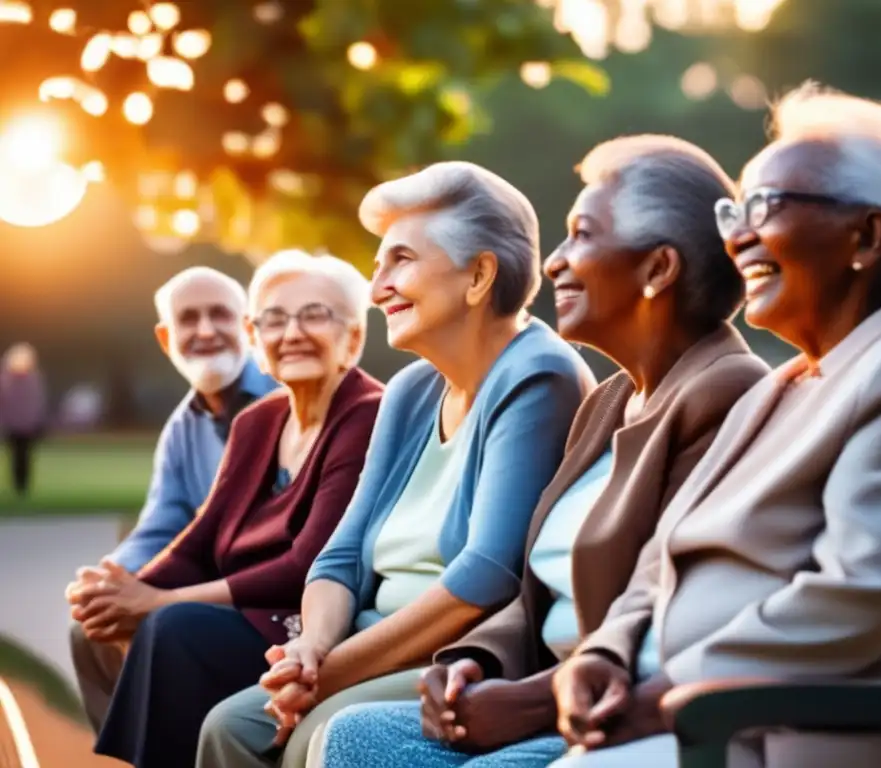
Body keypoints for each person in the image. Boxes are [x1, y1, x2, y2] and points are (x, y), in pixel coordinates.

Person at [546, 83, 881, 768]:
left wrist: (670, 689)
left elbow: (857, 599)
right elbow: (664, 553)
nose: (736, 237)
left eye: (766, 207)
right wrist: (604, 652)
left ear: (865, 236)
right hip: (697, 718)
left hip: (790, 732)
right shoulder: (780, 385)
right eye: (734, 210)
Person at [314, 135, 771, 768]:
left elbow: (670, 609)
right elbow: (534, 596)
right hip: (540, 690)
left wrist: (530, 699)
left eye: (581, 235)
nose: (553, 263)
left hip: (614, 714)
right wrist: (470, 663)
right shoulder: (609, 400)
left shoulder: (725, 393)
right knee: (353, 739)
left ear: (658, 270)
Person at [196, 161, 595, 768]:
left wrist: (327, 676)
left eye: (400, 261)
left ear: (479, 275)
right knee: (227, 728)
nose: (376, 284)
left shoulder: (537, 375)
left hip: (456, 657)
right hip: (360, 641)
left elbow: (487, 574)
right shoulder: (410, 391)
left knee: (312, 734)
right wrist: (312, 651)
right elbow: (342, 554)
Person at [69, 251, 384, 768]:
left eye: (314, 315)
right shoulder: (258, 421)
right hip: (249, 614)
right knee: (117, 623)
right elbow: (199, 537)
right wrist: (123, 590)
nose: (292, 333)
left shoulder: (367, 413)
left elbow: (308, 562)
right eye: (275, 320)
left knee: (174, 627)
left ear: (353, 336)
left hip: (311, 624)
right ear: (256, 340)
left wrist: (155, 602)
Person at [66, 266, 277, 734]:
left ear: (248, 325)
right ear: (166, 338)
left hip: (270, 596)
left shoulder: (288, 398)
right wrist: (112, 581)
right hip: (207, 591)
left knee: (168, 623)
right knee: (90, 625)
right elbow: (161, 526)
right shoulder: (183, 427)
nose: (205, 330)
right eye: (188, 319)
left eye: (219, 314)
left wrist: (153, 597)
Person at [0, 342, 47, 497]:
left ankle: (22, 486)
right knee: (16, 456)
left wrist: (37, 420)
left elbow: (37, 402)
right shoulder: (6, 379)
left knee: (24, 456)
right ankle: (18, 485)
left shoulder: (33, 380)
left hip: (26, 425)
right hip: (13, 425)